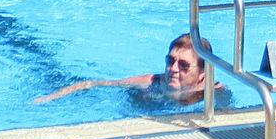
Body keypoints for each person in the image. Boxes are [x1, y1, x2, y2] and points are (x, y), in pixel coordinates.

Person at [34, 33, 213, 106]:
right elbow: (90, 84)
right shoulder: (151, 82)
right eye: (170, 60)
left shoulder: (212, 93)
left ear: (202, 74)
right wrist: (48, 98)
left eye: (183, 65)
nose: (173, 68)